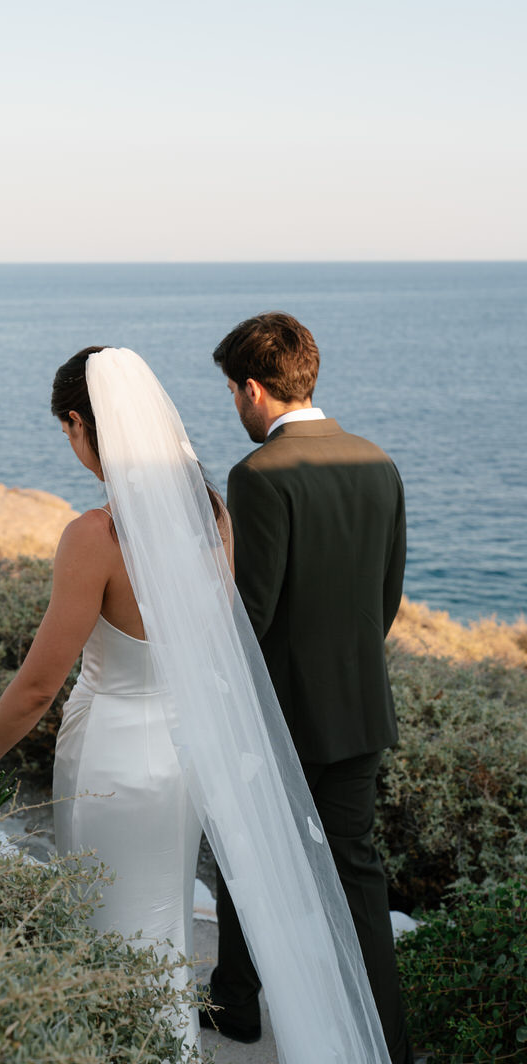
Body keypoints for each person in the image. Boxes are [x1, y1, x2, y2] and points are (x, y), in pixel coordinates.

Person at [0, 345, 392, 1064]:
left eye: (67, 431)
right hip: (184, 759)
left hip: (112, 765)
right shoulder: (212, 517)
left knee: (105, 934)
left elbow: (38, 684)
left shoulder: (94, 537)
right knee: (161, 937)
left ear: (78, 424)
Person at [210, 312, 412, 1064]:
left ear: (255, 389)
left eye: (234, 391)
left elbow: (252, 612)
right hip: (360, 710)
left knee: (244, 847)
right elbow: (384, 600)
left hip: (281, 718)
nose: (235, 405)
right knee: (359, 883)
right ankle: (388, 1044)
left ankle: (236, 1002)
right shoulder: (377, 462)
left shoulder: (259, 474)